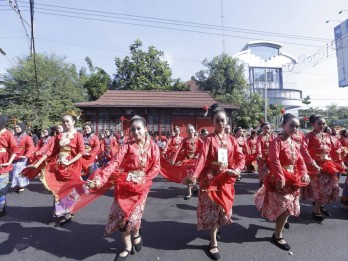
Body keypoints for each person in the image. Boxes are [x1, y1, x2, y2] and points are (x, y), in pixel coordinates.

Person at [86, 115, 160, 261]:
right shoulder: (127, 146)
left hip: (142, 187)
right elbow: (114, 163)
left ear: (145, 129)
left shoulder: (153, 147)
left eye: (139, 129)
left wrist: (144, 178)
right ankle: (127, 247)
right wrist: (100, 178)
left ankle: (137, 233)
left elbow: (156, 166)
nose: (136, 132)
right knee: (123, 219)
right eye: (133, 130)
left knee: (134, 217)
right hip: (125, 185)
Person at [190, 104, 244, 260]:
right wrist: (194, 175)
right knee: (213, 210)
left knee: (223, 208)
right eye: (218, 121)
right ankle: (213, 243)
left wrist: (238, 170)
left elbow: (240, 158)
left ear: (227, 122)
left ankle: (217, 229)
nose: (221, 124)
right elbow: (201, 159)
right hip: (210, 180)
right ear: (212, 122)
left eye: (223, 121)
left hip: (226, 179)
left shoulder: (232, 140)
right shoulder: (208, 140)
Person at [254, 113, 310, 251]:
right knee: (284, 207)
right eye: (291, 125)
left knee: (288, 207)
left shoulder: (295, 142)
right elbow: (275, 160)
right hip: (281, 178)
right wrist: (281, 177)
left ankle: (278, 232)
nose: (294, 129)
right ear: (283, 125)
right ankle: (278, 235)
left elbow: (300, 160)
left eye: (297, 126)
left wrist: (304, 173)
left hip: (293, 178)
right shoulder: (276, 141)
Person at [29, 114, 84, 226]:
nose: (66, 123)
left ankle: (69, 211)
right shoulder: (59, 136)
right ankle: (63, 211)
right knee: (58, 188)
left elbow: (81, 152)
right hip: (60, 165)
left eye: (68, 121)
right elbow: (49, 151)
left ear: (74, 122)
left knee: (70, 189)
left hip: (72, 165)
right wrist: (37, 163)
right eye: (64, 121)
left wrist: (69, 162)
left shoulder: (78, 135)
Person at [301, 115, 344, 221]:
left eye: (324, 123)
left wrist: (340, 160)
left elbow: (336, 148)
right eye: (319, 123)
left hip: (327, 165)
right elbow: (303, 149)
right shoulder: (308, 136)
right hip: (315, 167)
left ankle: (318, 205)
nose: (322, 125)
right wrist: (312, 162)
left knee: (333, 187)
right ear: (313, 125)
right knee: (319, 190)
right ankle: (317, 210)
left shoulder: (328, 136)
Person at [171, 124, 203, 200]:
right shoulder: (184, 141)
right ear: (187, 132)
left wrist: (198, 155)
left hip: (195, 160)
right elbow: (178, 150)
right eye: (188, 130)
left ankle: (195, 187)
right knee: (188, 175)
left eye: (192, 130)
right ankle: (189, 193)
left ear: (194, 130)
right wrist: (173, 159)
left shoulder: (198, 140)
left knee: (194, 175)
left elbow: (203, 148)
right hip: (187, 161)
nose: (190, 131)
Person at [0, 115, 19, 216]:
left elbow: (15, 148)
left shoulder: (8, 134)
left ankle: (1, 208)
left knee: (1, 187)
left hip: (3, 163)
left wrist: (9, 161)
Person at [10, 122, 35, 193]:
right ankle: (18, 185)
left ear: (22, 128)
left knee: (20, 172)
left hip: (22, 158)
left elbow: (31, 147)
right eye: (15, 128)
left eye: (18, 127)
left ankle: (21, 185)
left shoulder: (27, 137)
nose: (16, 129)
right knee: (13, 172)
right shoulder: (14, 137)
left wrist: (26, 155)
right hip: (14, 157)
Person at [256, 122, 273, 187]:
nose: (266, 129)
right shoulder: (260, 137)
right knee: (262, 169)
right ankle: (262, 181)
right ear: (262, 129)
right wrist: (259, 154)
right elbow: (258, 145)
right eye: (265, 128)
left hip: (270, 156)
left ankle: (267, 182)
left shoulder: (272, 136)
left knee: (269, 170)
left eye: (268, 128)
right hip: (262, 156)